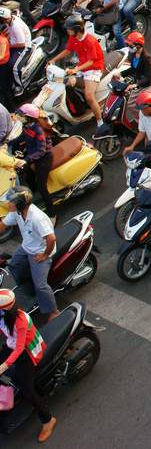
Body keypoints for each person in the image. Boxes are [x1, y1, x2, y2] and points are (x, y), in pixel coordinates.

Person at [0, 289, 57, 442]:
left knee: (27, 391)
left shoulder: (20, 321)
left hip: (28, 352)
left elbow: (19, 348)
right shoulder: (4, 314)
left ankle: (48, 420)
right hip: (12, 345)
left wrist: (4, 366)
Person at [0, 187, 57, 322]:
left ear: (20, 204)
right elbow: (3, 224)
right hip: (27, 247)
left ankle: (53, 311)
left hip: (39, 251)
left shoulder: (37, 218)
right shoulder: (17, 212)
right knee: (14, 266)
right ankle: (28, 287)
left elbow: (51, 239)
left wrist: (44, 255)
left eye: (11, 202)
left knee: (41, 285)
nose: (8, 204)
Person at [47, 15, 104, 123]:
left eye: (69, 29)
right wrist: (53, 60)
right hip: (82, 67)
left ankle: (100, 121)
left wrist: (75, 70)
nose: (67, 31)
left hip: (94, 68)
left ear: (76, 29)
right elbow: (68, 50)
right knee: (66, 83)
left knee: (89, 96)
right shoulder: (73, 38)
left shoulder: (90, 40)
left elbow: (91, 62)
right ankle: (80, 109)